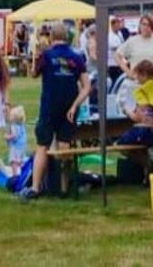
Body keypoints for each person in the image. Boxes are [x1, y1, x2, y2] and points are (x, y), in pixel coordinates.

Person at [21, 23, 90, 200]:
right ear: (67, 37)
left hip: (49, 106)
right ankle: (64, 186)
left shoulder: (46, 55)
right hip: (69, 108)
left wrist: (34, 60)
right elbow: (86, 87)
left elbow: (34, 74)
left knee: (42, 146)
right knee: (64, 145)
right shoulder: (77, 57)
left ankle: (35, 187)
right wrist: (75, 106)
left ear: (51, 37)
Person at [5, 105, 29, 171]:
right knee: (21, 160)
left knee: (13, 161)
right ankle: (23, 171)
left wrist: (7, 137)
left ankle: (14, 174)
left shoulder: (14, 126)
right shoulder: (21, 126)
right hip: (21, 146)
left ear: (14, 117)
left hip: (15, 147)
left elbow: (14, 136)